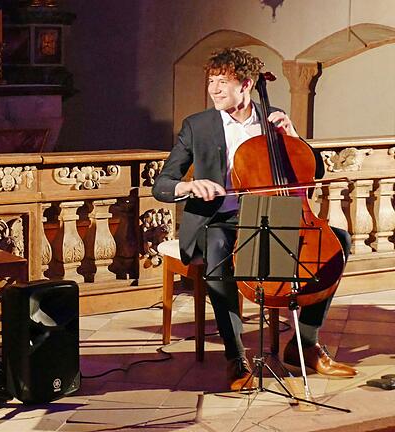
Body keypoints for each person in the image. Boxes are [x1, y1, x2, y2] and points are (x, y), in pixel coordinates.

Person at [152, 48, 358, 391]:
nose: (214, 89)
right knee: (218, 247)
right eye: (211, 82)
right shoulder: (197, 126)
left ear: (246, 84)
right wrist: (189, 186)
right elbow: (162, 184)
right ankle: (235, 357)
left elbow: (314, 170)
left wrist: (293, 136)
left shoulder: (274, 117)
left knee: (339, 242)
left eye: (223, 82)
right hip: (218, 219)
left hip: (273, 213)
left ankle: (305, 343)